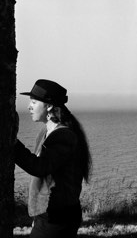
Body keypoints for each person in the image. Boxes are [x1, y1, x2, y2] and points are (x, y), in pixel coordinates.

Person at [14, 79, 92, 238]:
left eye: (34, 102)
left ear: (49, 106)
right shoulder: (45, 133)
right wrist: (37, 216)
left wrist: (11, 142)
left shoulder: (64, 136)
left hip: (58, 217)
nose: (29, 106)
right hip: (47, 215)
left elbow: (39, 167)